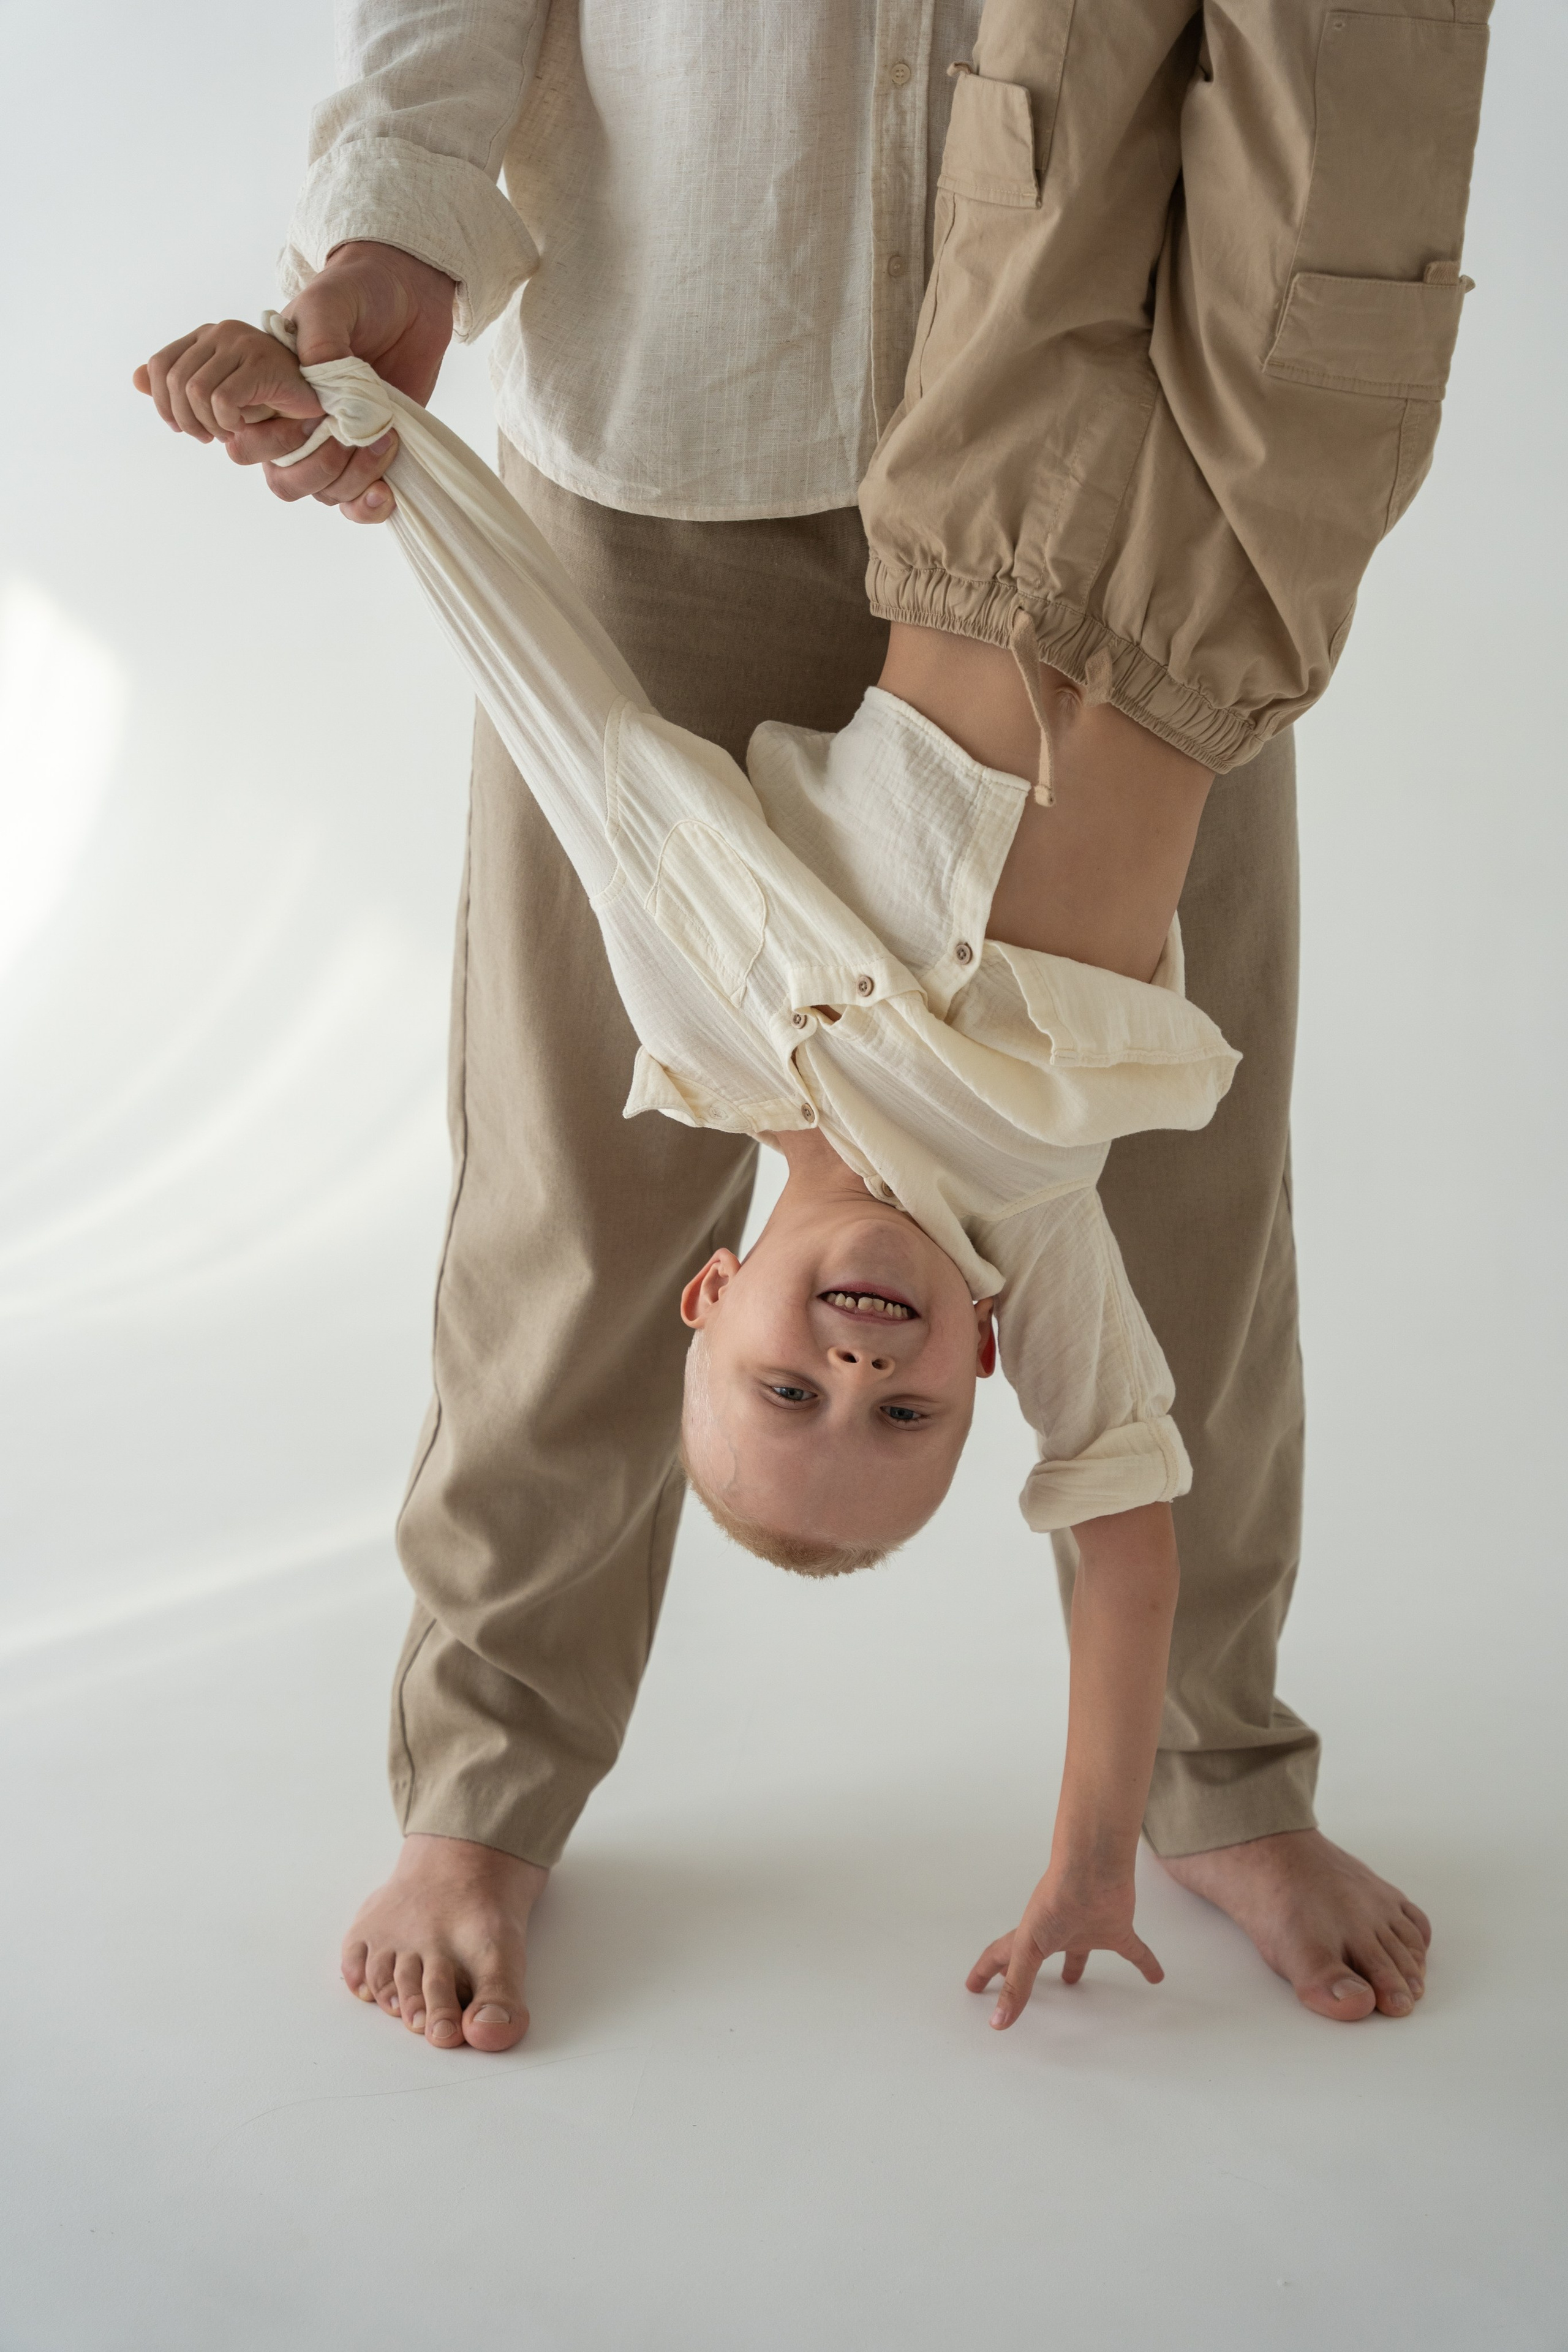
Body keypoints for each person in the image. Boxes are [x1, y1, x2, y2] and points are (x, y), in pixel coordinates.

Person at [136, 0, 1488, 2046]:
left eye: (792, 1397)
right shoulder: (1016, 1248)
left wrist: (360, 417)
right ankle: (488, 1786)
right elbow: (1107, 1484)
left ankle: (1225, 1768)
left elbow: (562, 719)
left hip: (1051, 338)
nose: (858, 1365)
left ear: (734, 1322)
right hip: (772, 398)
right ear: (984, 1356)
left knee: (1196, 1227)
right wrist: (395, 228)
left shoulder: (727, 1013)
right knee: (574, 1212)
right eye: (903, 1412)